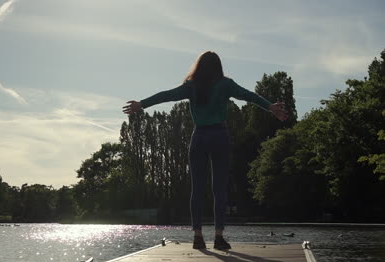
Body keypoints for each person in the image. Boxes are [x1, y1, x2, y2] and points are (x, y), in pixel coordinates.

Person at [122, 51, 288, 250]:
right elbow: (248, 96)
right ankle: (218, 237)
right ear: (218, 66)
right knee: (219, 190)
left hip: (199, 137)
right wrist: (270, 106)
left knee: (197, 189)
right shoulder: (225, 84)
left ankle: (198, 236)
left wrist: (142, 104)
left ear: (199, 66)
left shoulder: (191, 86)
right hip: (219, 136)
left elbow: (167, 95)